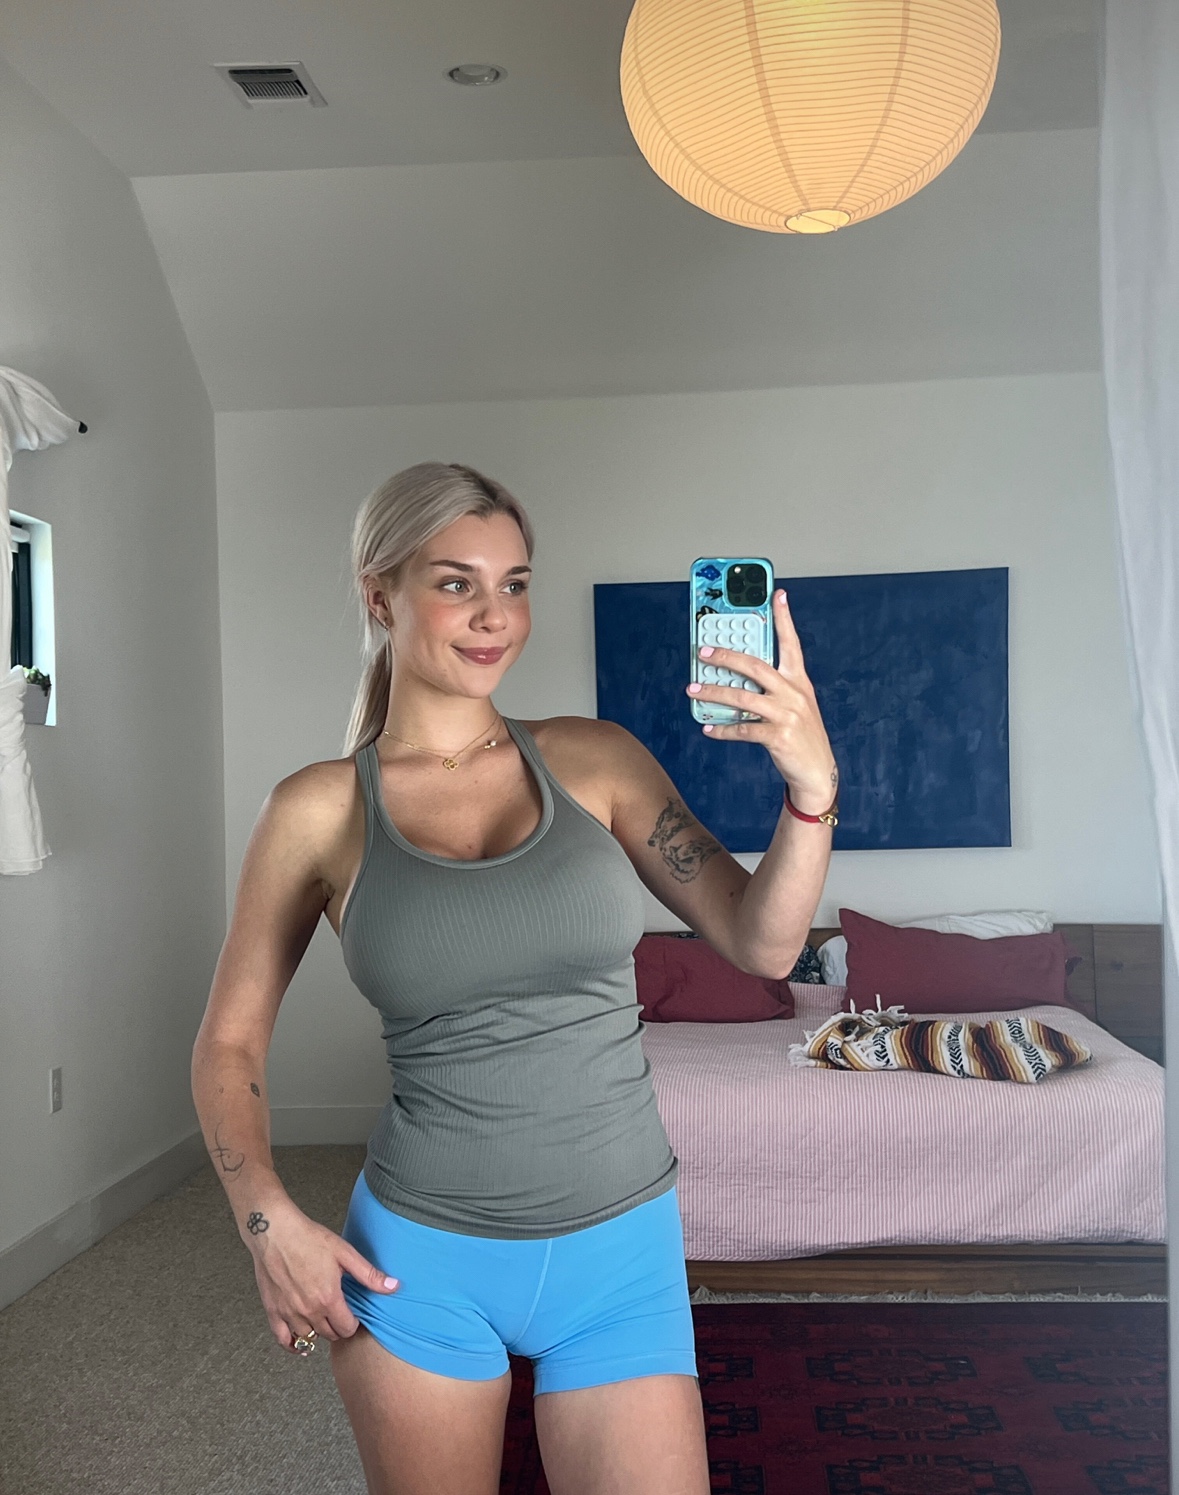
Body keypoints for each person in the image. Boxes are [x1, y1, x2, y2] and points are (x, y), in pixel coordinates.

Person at [191, 461, 838, 1495]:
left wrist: (811, 790)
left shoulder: (596, 759)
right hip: (420, 1261)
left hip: (619, 1257)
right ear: (379, 595)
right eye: (456, 583)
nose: (495, 616)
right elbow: (229, 1043)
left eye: (516, 583)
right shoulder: (318, 809)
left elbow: (762, 943)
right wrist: (264, 1220)